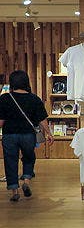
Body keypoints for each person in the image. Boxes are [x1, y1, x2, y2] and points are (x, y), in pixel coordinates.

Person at [0, 70, 54, 201]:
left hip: (9, 135)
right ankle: (26, 182)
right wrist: (49, 133)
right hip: (28, 135)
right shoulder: (34, 99)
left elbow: (1, 121)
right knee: (29, 158)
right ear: (26, 82)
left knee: (10, 161)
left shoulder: (4, 98)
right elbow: (42, 119)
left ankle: (14, 191)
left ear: (12, 83)